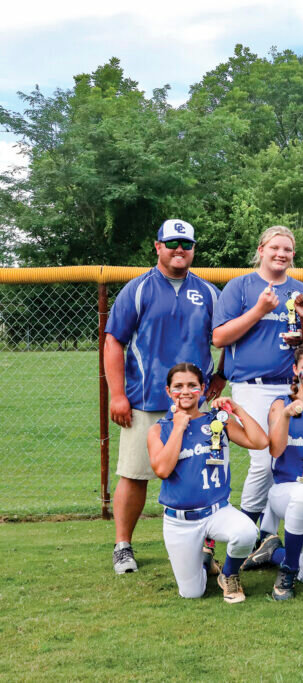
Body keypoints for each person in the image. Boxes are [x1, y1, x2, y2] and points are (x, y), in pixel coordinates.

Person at [105, 219, 223, 574]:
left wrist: (221, 375)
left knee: (202, 474)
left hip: (195, 404)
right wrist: (117, 394)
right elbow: (113, 341)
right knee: (134, 474)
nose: (179, 249)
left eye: (186, 244)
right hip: (145, 400)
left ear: (193, 249)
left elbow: (227, 337)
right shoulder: (138, 288)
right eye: (172, 243)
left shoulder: (208, 292)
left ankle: (204, 547)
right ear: (157, 247)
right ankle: (123, 546)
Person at [212, 226, 303, 532]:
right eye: (275, 248)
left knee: (284, 462)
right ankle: (246, 530)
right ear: (261, 250)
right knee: (262, 461)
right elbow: (219, 338)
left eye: (287, 249)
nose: (281, 254)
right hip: (251, 386)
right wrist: (259, 310)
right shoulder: (240, 286)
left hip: (291, 387)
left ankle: (267, 535)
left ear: (293, 255)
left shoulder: (301, 289)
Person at [147, 363, 267, 602]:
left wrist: (237, 410)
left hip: (216, 511)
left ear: (202, 388)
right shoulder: (159, 430)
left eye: (192, 385)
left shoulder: (217, 421)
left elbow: (260, 442)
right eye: (178, 386)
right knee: (192, 593)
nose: (185, 391)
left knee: (246, 533)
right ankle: (204, 561)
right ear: (168, 391)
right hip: (180, 521)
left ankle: (229, 574)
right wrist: (179, 427)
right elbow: (162, 470)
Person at [242, 342, 303, 600]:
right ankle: (287, 571)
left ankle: (273, 551)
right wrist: (286, 416)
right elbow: (275, 451)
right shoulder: (281, 404)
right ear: (295, 369)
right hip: (286, 490)